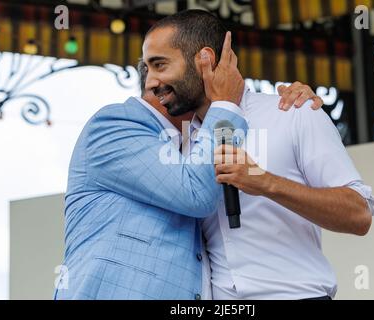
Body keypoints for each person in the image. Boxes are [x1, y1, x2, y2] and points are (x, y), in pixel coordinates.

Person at [55, 22, 320, 299]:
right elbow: (197, 194)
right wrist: (225, 104)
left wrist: (296, 101)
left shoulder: (194, 143)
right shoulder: (113, 125)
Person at [142, 9, 374, 300]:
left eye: (160, 65)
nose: (150, 81)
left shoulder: (293, 113)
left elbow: (358, 214)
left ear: (205, 59)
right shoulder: (175, 141)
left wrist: (266, 183)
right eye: (146, 69)